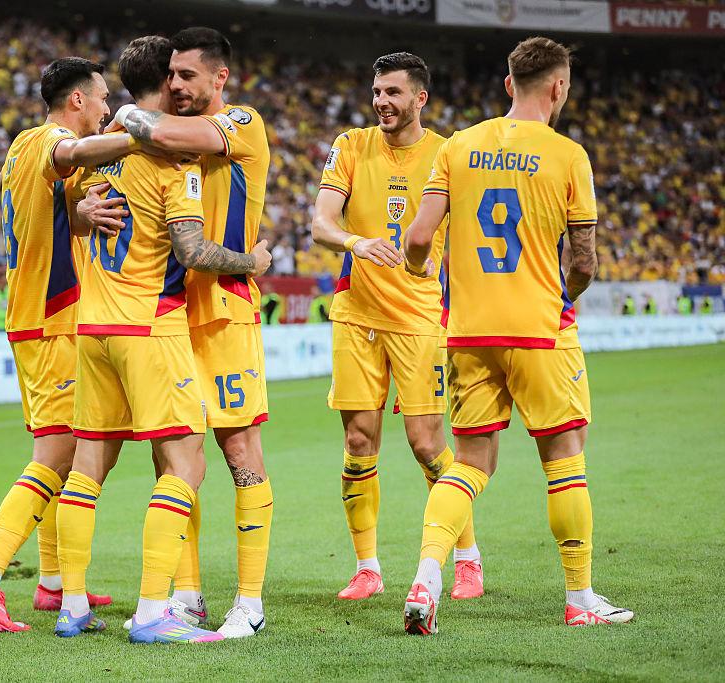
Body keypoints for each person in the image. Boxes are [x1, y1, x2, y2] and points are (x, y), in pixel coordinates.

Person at [399, 36, 633, 634]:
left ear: (509, 84)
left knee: (470, 463)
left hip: (469, 332)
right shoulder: (569, 155)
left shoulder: (457, 146)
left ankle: (426, 577)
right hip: (540, 330)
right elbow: (585, 261)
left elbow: (418, 238)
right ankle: (580, 598)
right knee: (564, 458)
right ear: (559, 88)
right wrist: (563, 296)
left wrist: (421, 270)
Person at [54, 34, 271, 644]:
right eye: (171, 75)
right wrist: (82, 209)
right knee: (175, 460)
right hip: (165, 318)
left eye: (188, 76)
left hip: (222, 312)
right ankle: (184, 595)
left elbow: (154, 138)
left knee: (238, 454)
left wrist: (121, 120)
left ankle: (249, 601)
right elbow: (77, 190)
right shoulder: (150, 147)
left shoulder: (241, 122)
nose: (178, 85)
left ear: (219, 78)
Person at [0, 57, 143, 632]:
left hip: (41, 316)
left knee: (69, 448)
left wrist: (80, 213)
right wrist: (143, 130)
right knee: (58, 454)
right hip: (49, 320)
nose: (106, 107)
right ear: (77, 99)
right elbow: (73, 153)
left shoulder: (25, 150)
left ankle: (53, 583)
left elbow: (59, 219)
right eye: (103, 98)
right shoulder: (47, 140)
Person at [311, 52, 485, 602]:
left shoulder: (447, 154)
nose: (381, 102)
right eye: (376, 92)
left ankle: (467, 558)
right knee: (358, 441)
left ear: (420, 98)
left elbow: (471, 236)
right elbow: (321, 222)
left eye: (393, 92)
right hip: (356, 313)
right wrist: (355, 242)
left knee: (427, 444)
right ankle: (367, 567)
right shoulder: (351, 145)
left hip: (419, 317)